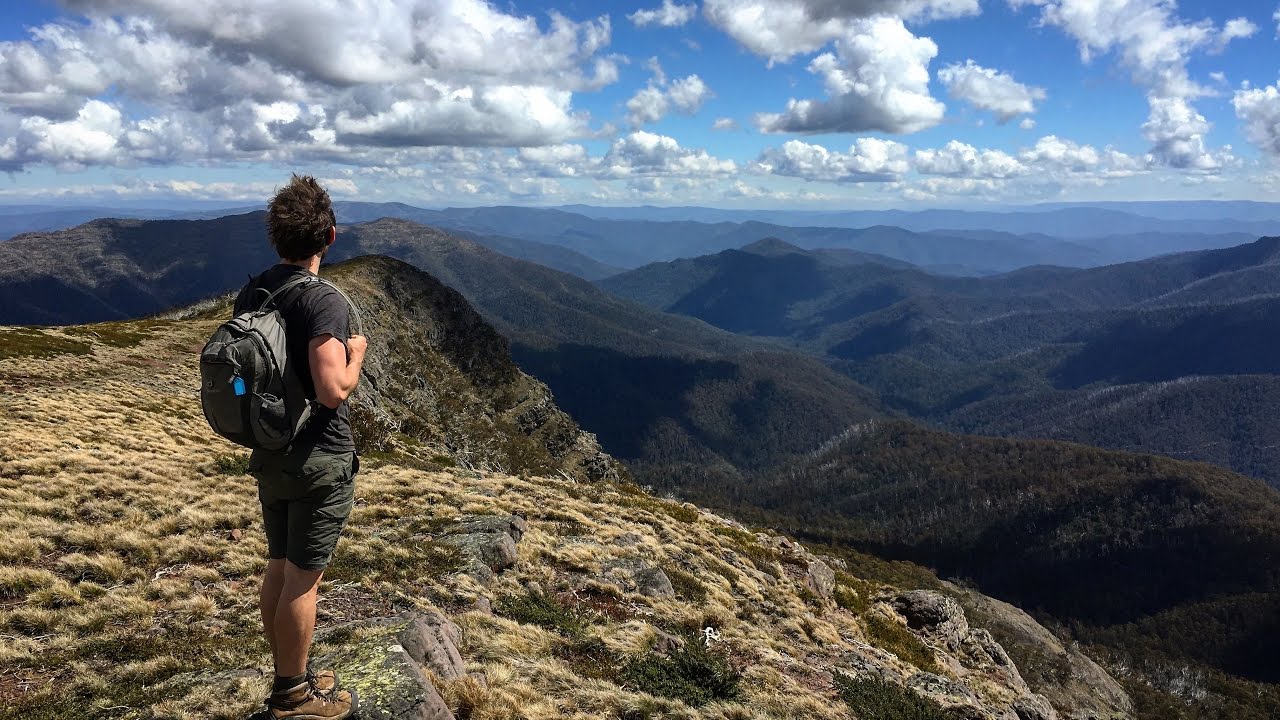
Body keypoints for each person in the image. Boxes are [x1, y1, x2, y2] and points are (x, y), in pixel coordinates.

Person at [233, 174, 366, 719]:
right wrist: (356, 352)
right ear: (329, 236)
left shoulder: (254, 290)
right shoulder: (325, 302)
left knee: (280, 565)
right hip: (317, 457)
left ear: (276, 236)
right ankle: (293, 695)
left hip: (270, 451)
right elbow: (332, 390)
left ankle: (291, 671)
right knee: (303, 579)